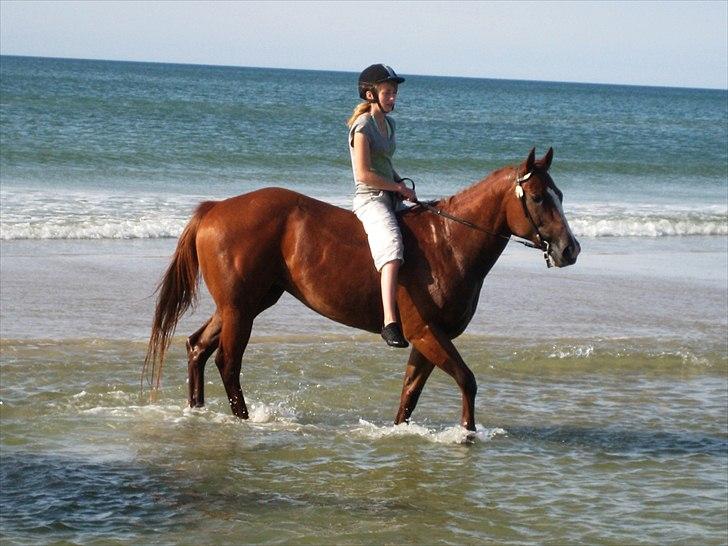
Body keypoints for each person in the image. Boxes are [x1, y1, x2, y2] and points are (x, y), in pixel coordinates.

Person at [347, 64, 417, 348]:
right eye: (387, 93)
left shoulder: (389, 125)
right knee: (392, 247)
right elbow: (364, 174)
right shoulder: (361, 127)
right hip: (370, 198)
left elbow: (385, 167)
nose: (393, 98)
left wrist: (402, 186)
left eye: (394, 93)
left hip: (390, 194)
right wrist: (396, 187)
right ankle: (389, 322)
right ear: (370, 94)